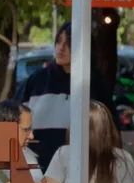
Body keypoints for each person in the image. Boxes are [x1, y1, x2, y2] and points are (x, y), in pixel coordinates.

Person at [15, 22, 115, 172]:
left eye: (69, 43)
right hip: (35, 171)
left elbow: (110, 133)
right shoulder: (36, 82)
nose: (61, 48)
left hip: (81, 173)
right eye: (59, 41)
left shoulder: (95, 85)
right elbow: (12, 120)